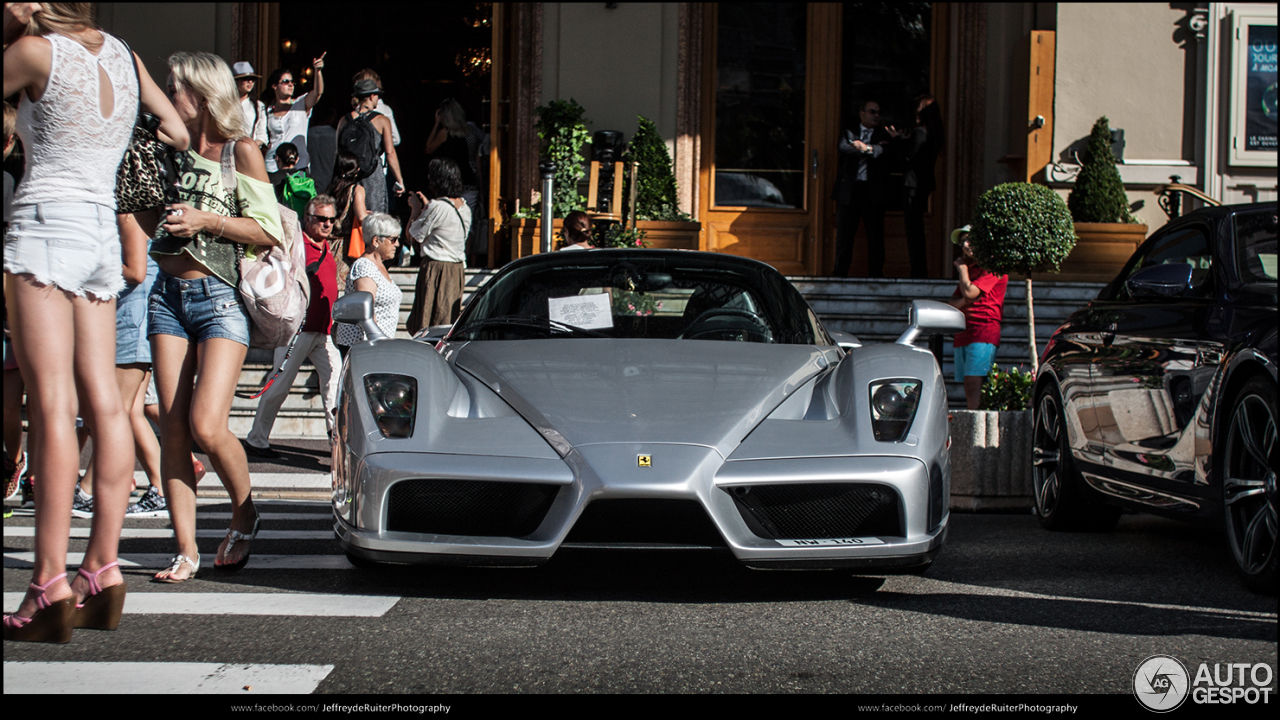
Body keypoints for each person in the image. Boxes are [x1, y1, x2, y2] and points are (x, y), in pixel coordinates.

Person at [2, 2, 188, 642]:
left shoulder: (31, 52)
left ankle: (46, 581)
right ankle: (102, 568)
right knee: (106, 405)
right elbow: (177, 130)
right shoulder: (122, 52)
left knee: (51, 406)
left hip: (45, 223)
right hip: (101, 231)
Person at [148, 51, 283, 582]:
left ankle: (244, 509)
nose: (166, 96)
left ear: (199, 96)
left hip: (219, 299)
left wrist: (206, 219)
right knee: (174, 432)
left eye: (172, 88)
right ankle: (186, 548)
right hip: (166, 297)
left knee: (207, 423)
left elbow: (267, 229)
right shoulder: (169, 151)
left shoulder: (239, 151)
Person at [244, 195, 342, 458]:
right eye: (321, 219)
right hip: (298, 330)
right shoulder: (297, 247)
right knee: (280, 385)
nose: (327, 224)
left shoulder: (327, 249)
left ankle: (337, 441)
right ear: (308, 219)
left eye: (331, 219)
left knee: (335, 383)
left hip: (324, 331)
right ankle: (257, 440)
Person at [406, 158, 471, 335]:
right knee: (447, 320)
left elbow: (413, 235)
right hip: (456, 271)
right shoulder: (465, 208)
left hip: (436, 269)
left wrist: (415, 208)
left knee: (428, 323)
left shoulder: (437, 206)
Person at [946, 225, 1008, 410]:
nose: (965, 244)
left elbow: (970, 293)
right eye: (963, 240)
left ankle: (976, 424)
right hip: (965, 330)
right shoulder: (972, 269)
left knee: (974, 381)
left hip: (984, 330)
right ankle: (974, 419)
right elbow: (952, 302)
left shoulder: (993, 268)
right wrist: (966, 296)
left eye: (970, 239)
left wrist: (962, 271)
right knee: (968, 382)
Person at [831, 100, 891, 278]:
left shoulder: (883, 133)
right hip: (851, 190)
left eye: (878, 112)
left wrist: (866, 148)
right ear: (862, 113)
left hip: (873, 191)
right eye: (872, 112)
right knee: (845, 234)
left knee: (875, 235)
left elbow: (887, 151)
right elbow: (843, 147)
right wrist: (867, 150)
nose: (876, 115)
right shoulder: (850, 131)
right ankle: (840, 272)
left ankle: (876, 273)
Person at [887, 95, 943, 279]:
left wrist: (896, 139)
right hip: (924, 184)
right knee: (916, 228)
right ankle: (919, 269)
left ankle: (918, 271)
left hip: (912, 185)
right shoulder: (935, 133)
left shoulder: (920, 133)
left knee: (913, 230)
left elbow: (907, 156)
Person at [336, 77, 404, 216]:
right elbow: (390, 153)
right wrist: (399, 180)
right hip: (373, 176)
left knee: (348, 217)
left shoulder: (344, 120)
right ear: (372, 96)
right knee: (375, 220)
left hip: (348, 176)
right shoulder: (382, 120)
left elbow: (338, 153)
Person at [335, 213, 402, 349]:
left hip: (377, 343)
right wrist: (377, 341)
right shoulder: (364, 266)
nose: (397, 244)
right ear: (376, 241)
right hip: (365, 344)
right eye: (393, 239)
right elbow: (366, 311)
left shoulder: (380, 265)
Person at [425, 99, 481, 253]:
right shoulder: (471, 133)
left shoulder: (445, 133)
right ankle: (466, 257)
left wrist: (436, 124)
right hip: (470, 178)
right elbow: (476, 159)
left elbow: (429, 148)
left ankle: (449, 253)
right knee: (466, 223)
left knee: (446, 218)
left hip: (449, 180)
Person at [263, 54, 325, 184]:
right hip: (272, 166)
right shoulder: (267, 111)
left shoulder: (300, 104)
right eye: (286, 82)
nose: (291, 85)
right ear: (274, 86)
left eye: (292, 82)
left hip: (298, 165)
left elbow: (317, 93)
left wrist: (317, 71)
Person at [351, 68, 400, 211]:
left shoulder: (350, 116)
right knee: (376, 213)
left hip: (354, 169)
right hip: (374, 169)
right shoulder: (383, 112)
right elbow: (395, 141)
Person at [324, 150, 368, 283]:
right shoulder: (356, 189)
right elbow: (361, 217)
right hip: (347, 247)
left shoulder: (330, 189)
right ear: (357, 170)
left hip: (328, 245)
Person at [232, 61, 267, 150]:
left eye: (253, 79)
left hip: (250, 151)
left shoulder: (258, 105)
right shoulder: (226, 104)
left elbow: (262, 134)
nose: (250, 82)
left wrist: (250, 147)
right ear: (236, 81)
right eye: (246, 78)